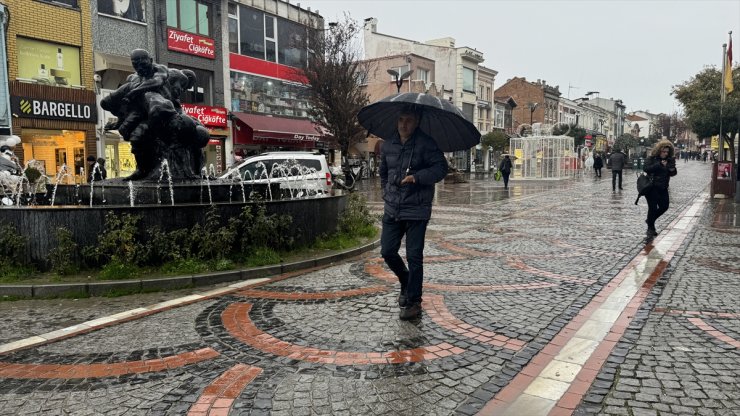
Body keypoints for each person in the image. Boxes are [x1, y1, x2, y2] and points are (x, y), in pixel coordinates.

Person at [380, 105, 448, 320]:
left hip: (417, 209)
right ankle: (405, 279)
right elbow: (383, 171)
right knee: (387, 251)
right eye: (401, 119)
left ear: (417, 121)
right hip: (393, 207)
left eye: (408, 120)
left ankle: (413, 301)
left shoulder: (426, 143)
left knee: (414, 256)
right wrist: (386, 191)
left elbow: (440, 169)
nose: (403, 124)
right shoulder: (388, 144)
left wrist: (417, 177)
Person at [643, 139, 677, 239]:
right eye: (663, 151)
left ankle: (649, 220)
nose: (665, 154)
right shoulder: (652, 158)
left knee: (664, 206)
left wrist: (672, 168)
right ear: (659, 150)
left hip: (663, 187)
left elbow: (673, 173)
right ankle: (651, 228)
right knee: (652, 208)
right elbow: (646, 168)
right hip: (651, 187)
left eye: (667, 152)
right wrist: (659, 165)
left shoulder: (669, 160)